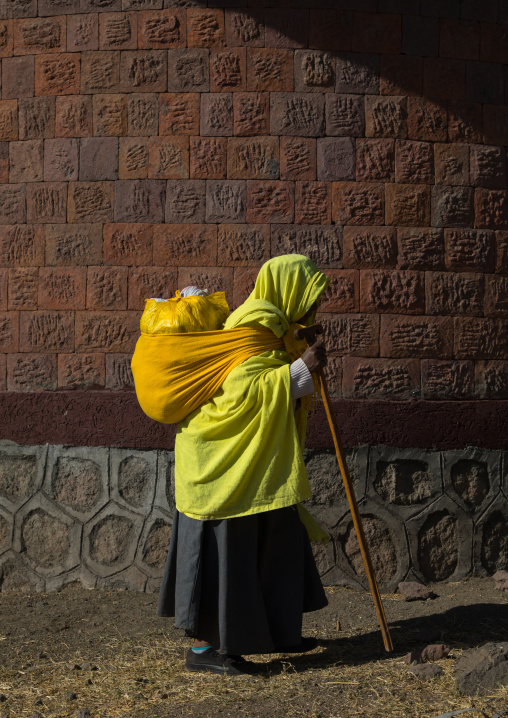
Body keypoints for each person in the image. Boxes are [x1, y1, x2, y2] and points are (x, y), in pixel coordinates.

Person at [157, 255, 331, 675]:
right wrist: (301, 371)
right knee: (227, 553)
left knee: (278, 538)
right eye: (310, 300)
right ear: (289, 292)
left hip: (250, 463)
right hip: (222, 463)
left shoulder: (273, 325)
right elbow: (242, 391)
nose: (314, 310)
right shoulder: (254, 325)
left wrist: (295, 345)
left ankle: (277, 632)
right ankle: (204, 651)